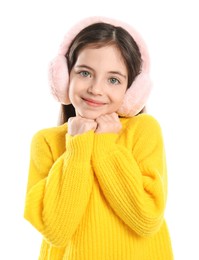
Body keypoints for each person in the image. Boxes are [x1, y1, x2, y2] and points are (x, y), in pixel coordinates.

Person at [24, 16, 174, 260]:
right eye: (85, 73)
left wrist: (104, 146)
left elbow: (146, 219)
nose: (96, 88)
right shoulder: (46, 142)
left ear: (132, 91)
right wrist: (78, 147)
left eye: (113, 79)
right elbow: (56, 230)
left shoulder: (144, 130)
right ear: (64, 77)